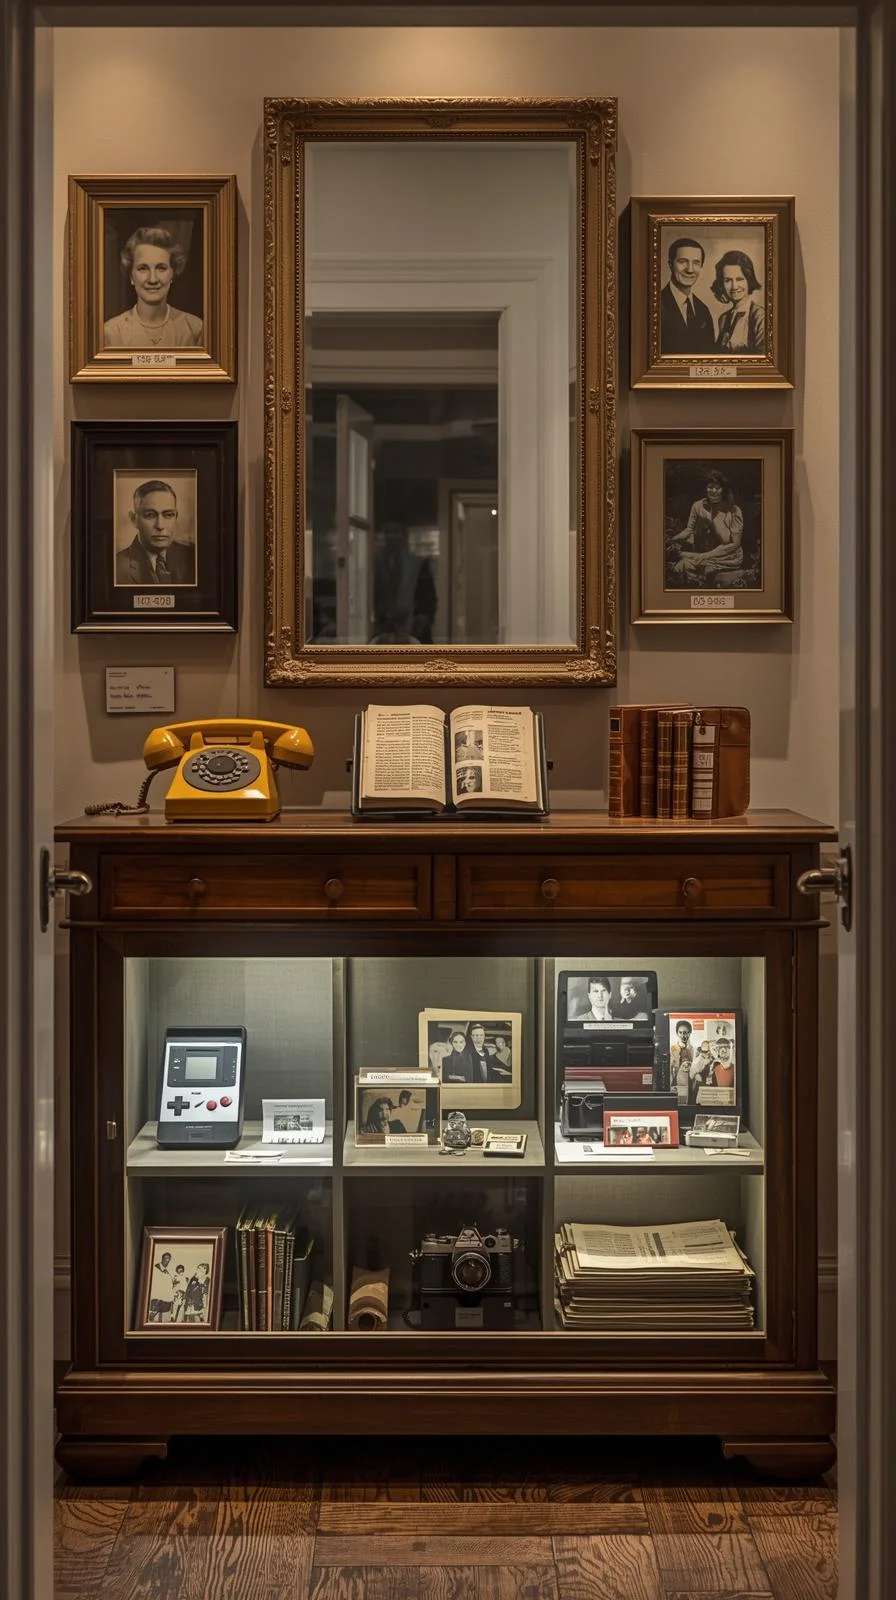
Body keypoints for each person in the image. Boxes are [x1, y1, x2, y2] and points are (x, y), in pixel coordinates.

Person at [104, 226, 203, 349]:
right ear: (131, 276)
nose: (153, 279)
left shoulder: (194, 329)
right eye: (143, 268)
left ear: (172, 273)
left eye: (161, 268)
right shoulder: (111, 333)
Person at [667, 470, 744, 585]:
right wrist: (671, 541)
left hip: (728, 556)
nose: (713, 491)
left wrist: (706, 555)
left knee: (692, 567)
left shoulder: (733, 511)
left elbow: (735, 544)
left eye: (717, 488)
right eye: (710, 487)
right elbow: (689, 529)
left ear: (723, 490)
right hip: (706, 552)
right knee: (677, 564)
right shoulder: (698, 506)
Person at [115, 480, 196, 587]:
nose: (160, 526)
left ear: (176, 517)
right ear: (134, 519)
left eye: (168, 515)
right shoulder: (117, 566)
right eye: (150, 515)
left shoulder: (192, 556)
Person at [659, 236, 716, 356]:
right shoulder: (654, 305)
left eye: (696, 263)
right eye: (682, 262)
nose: (690, 270)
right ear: (670, 264)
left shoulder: (703, 310)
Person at [712, 249, 766, 353]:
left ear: (749, 280)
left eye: (739, 279)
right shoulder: (723, 319)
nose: (734, 286)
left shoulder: (761, 317)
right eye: (727, 280)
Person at [670, 1019, 694, 1099]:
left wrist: (688, 1049)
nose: (683, 1036)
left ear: (690, 1033)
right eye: (681, 1032)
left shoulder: (692, 1049)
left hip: (690, 1082)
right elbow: (672, 1067)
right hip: (677, 1082)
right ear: (677, 1033)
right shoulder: (673, 1048)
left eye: (686, 1033)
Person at [148, 1251, 174, 1322]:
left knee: (163, 1318)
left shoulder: (168, 1273)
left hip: (165, 1299)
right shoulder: (155, 1269)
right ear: (162, 1259)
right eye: (166, 1258)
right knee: (153, 1319)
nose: (167, 1260)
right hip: (156, 1298)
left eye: (169, 1259)